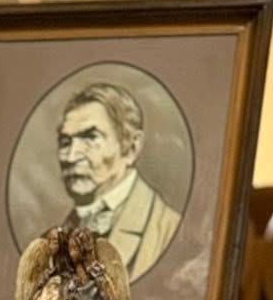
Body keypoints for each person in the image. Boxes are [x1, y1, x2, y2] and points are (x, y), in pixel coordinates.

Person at [55, 82, 180, 281]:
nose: (71, 157)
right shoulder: (62, 232)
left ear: (131, 148)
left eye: (90, 138)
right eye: (65, 142)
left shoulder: (168, 230)